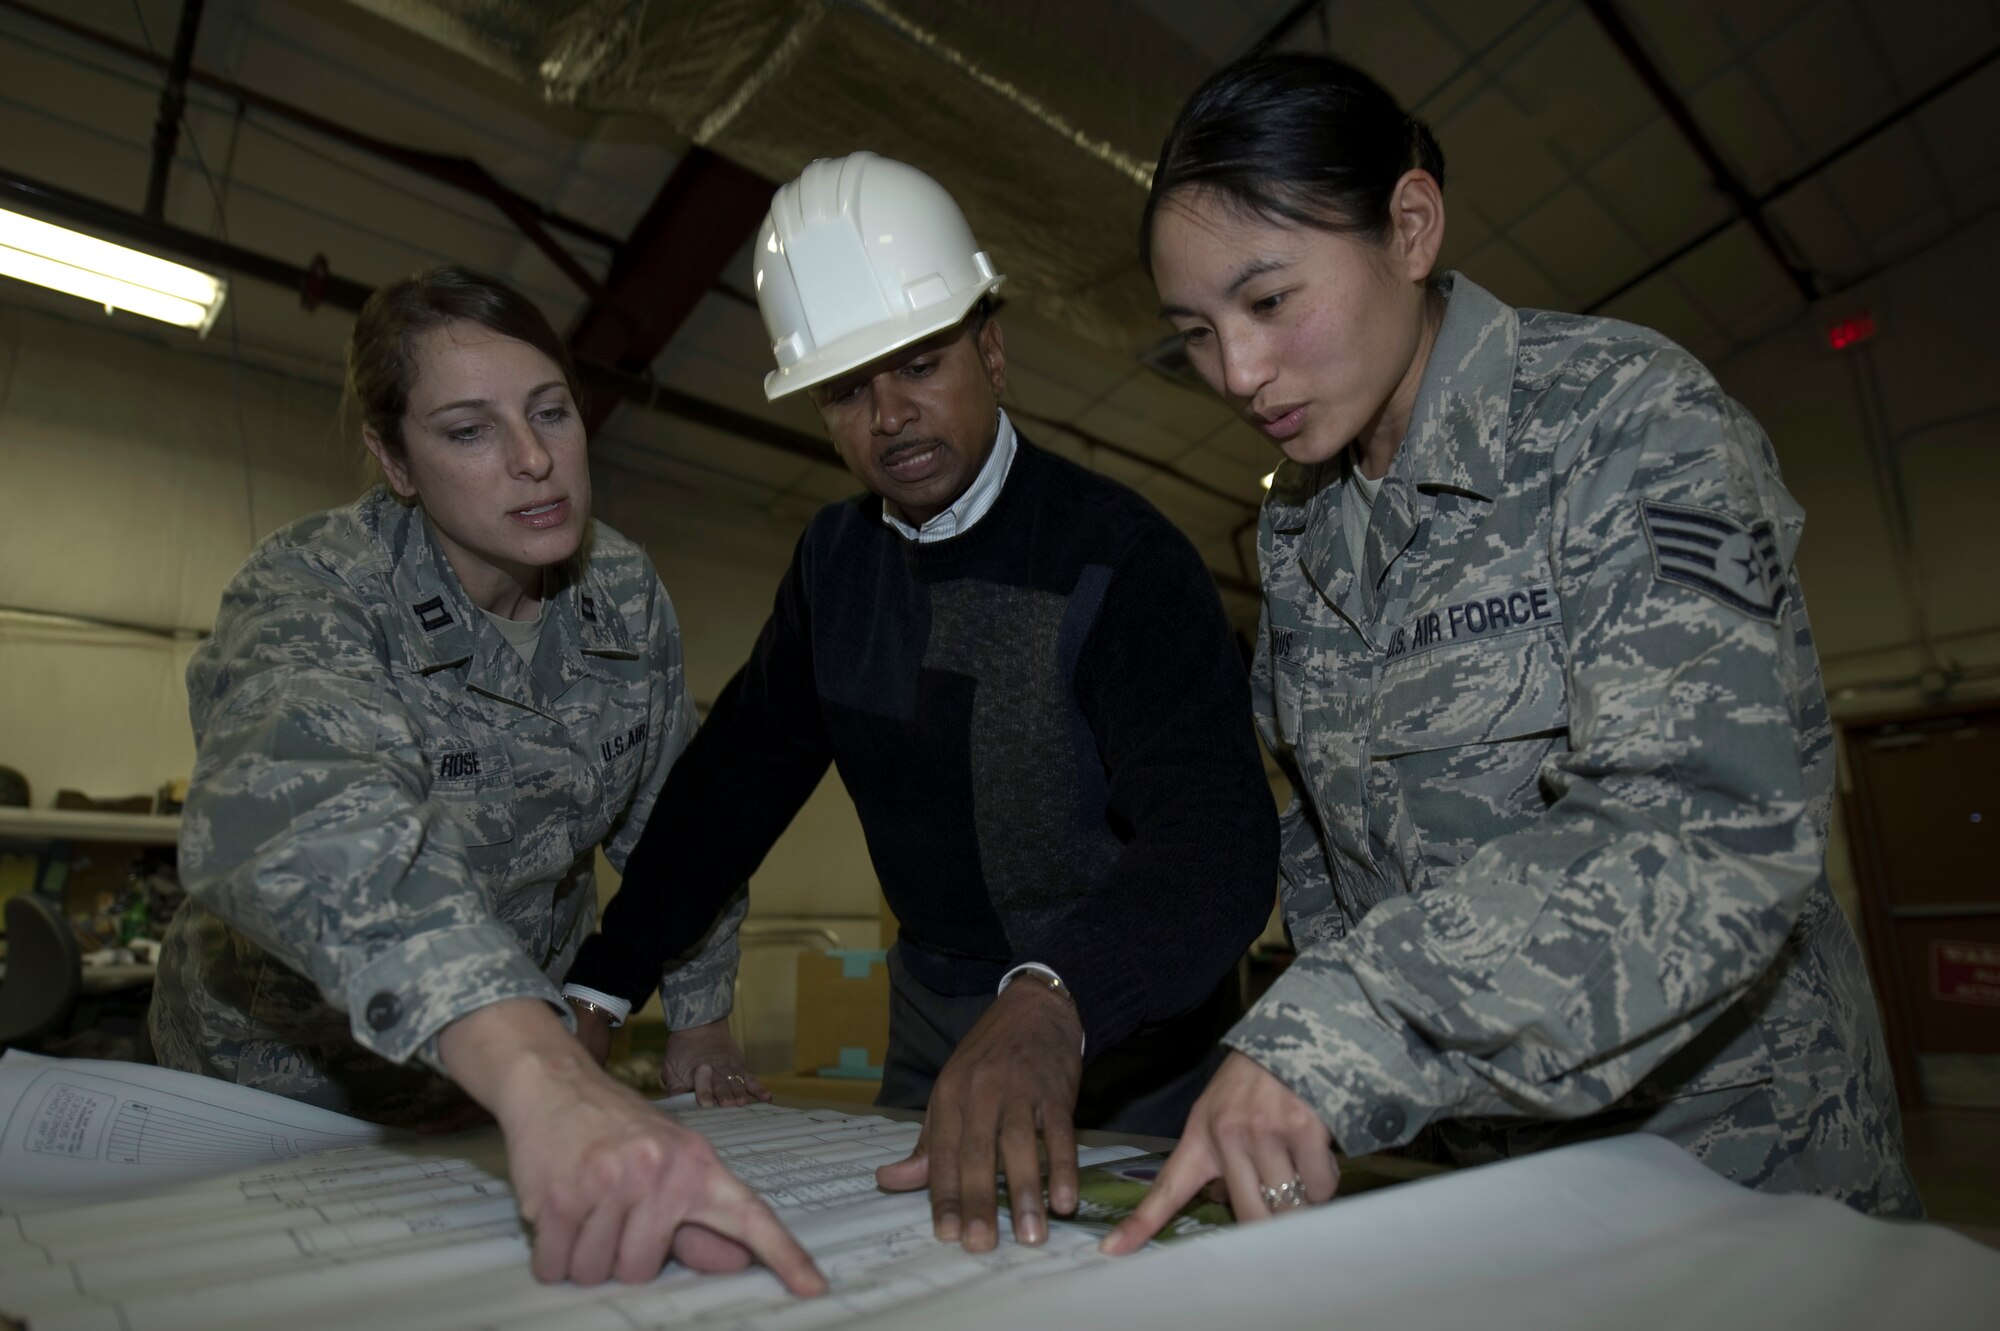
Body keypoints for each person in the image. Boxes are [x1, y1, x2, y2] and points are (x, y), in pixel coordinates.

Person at [1102, 53, 1920, 1253]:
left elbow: (1702, 825)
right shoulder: (1299, 529)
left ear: (1409, 226)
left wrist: (1344, 1029)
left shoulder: (1624, 419)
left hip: (1723, 1159)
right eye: (1195, 334)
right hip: (1478, 1168)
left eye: (1267, 301)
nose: (1237, 371)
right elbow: (1322, 834)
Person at [562, 152, 1277, 1254]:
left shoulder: (1124, 559)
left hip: (1134, 1029)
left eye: (919, 364)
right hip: (936, 1018)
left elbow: (1217, 839)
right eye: (846, 391)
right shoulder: (835, 568)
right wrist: (602, 987)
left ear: (990, 350)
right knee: (919, 1269)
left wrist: (1059, 994)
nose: (889, 416)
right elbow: (730, 787)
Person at [149, 266, 824, 1294]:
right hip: (288, 1085)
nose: (532, 458)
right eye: (469, 431)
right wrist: (538, 1068)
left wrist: (699, 1017)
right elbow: (306, 808)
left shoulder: (622, 593)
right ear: (394, 459)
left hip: (500, 1101)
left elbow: (675, 820)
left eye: (550, 412)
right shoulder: (316, 587)